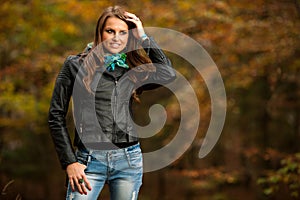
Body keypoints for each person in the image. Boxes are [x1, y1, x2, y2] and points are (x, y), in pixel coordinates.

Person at [48, 5, 176, 200]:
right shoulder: (75, 65)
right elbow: (55, 116)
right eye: (110, 31)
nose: (116, 37)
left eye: (123, 32)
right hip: (88, 161)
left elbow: (168, 73)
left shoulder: (132, 69)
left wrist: (143, 37)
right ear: (100, 33)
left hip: (128, 160)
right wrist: (69, 162)